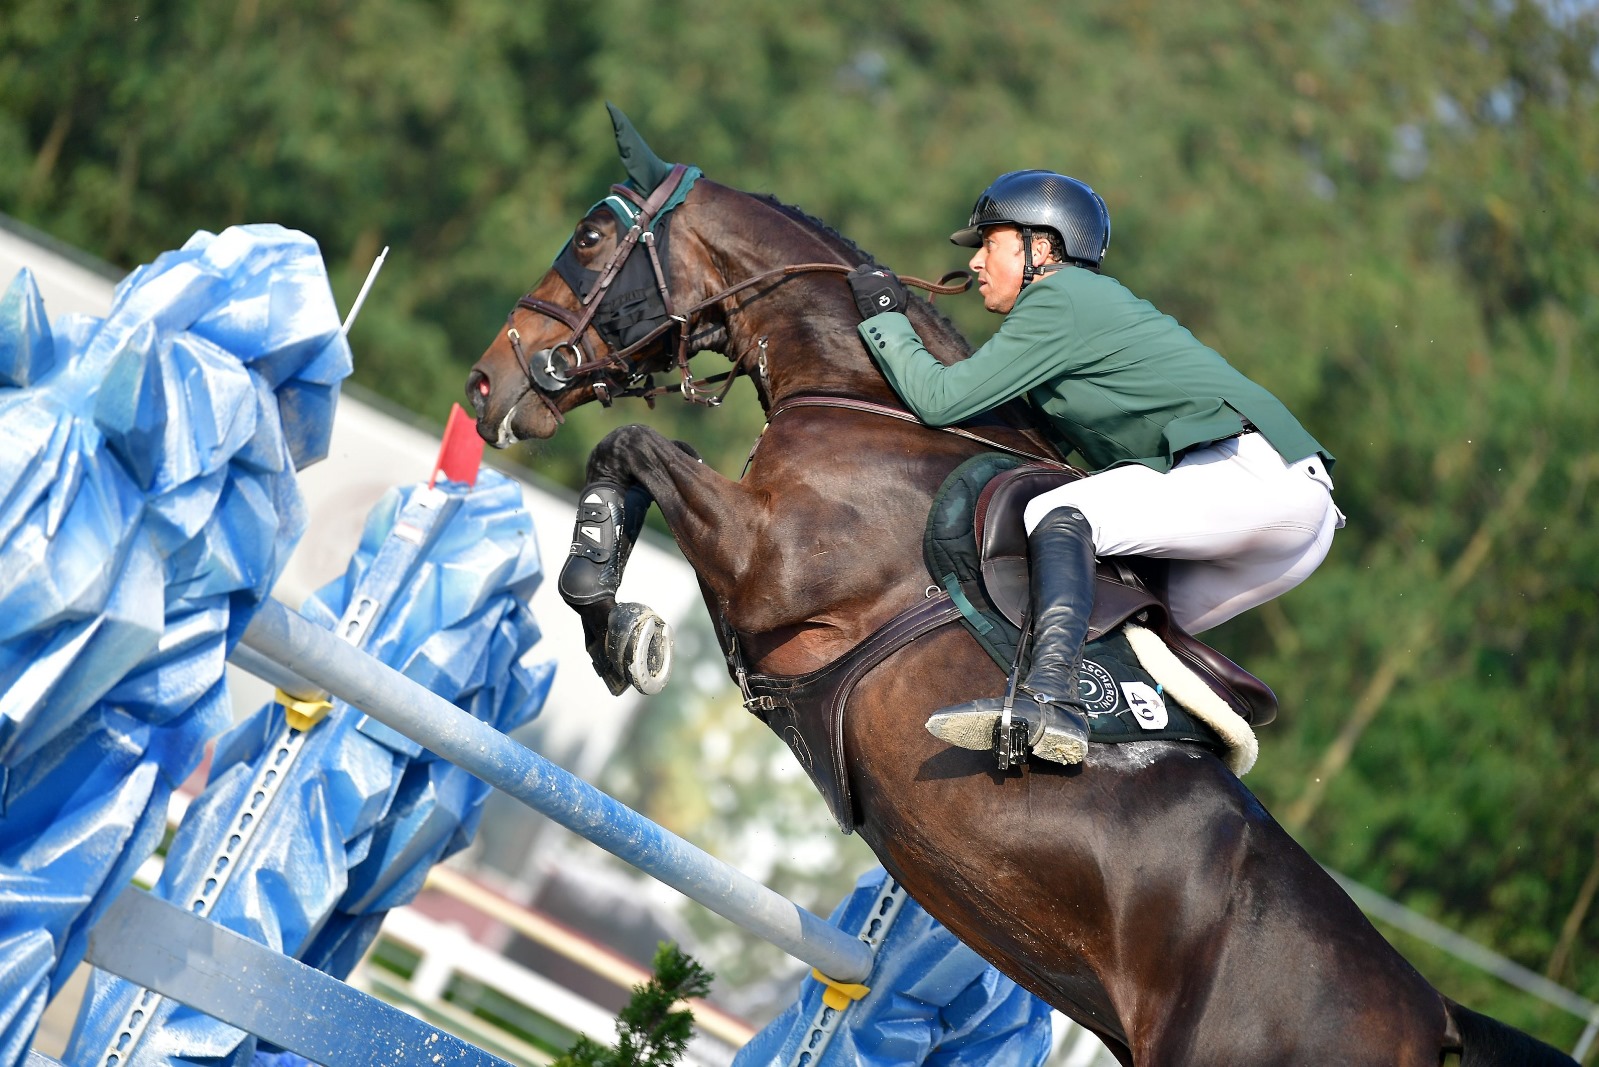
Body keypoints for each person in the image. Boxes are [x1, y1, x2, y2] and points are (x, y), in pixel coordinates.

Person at [846, 170, 1342, 767]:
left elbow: (939, 400)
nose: (976, 262)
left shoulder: (1059, 297)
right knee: (1113, 637)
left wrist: (883, 316)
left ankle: (1050, 703)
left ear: (1041, 248)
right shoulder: (1079, 312)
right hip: (1292, 520)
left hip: (1253, 478)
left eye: (989, 243)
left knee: (1057, 513)